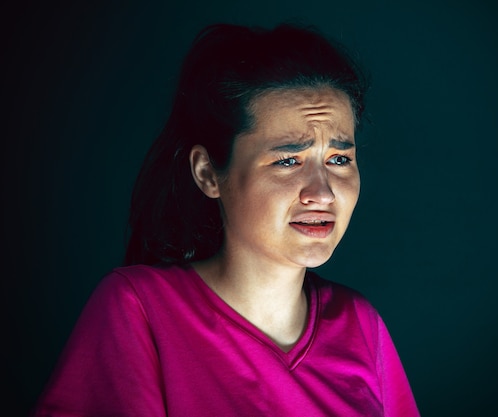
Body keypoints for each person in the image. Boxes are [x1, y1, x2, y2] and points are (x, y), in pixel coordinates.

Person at [31, 23, 420, 417]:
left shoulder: (360, 324)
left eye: (339, 160)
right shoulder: (139, 308)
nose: (322, 192)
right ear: (207, 173)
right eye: (288, 161)